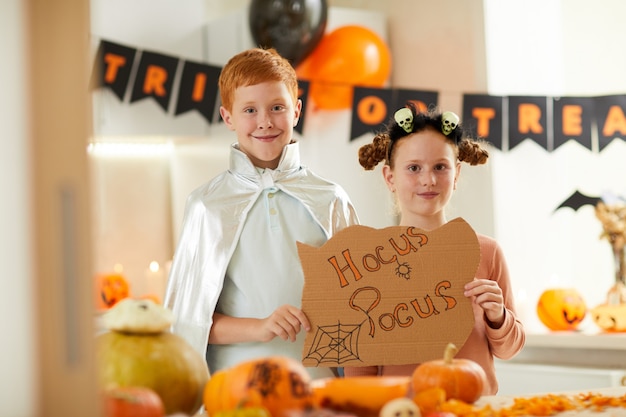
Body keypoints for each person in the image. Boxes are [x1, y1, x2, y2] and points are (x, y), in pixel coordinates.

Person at [164, 48, 359, 379]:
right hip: (238, 387)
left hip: (319, 386)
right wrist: (261, 326)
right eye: (250, 110)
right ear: (228, 118)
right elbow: (188, 322)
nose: (265, 121)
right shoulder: (206, 206)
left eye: (277, 108)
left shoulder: (331, 199)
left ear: (296, 111)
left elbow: (361, 303)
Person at [344, 103, 525, 395]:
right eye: (414, 168)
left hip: (476, 412)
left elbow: (509, 349)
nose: (428, 180)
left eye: (440, 167)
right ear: (390, 177)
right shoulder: (368, 264)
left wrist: (498, 316)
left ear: (456, 175)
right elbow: (359, 372)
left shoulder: (488, 252)